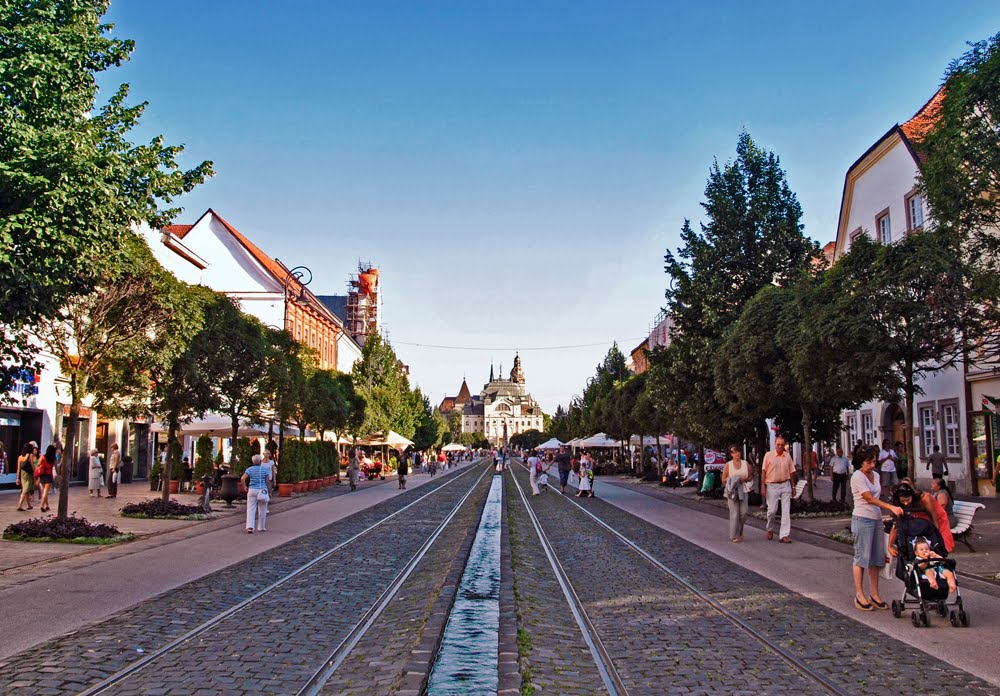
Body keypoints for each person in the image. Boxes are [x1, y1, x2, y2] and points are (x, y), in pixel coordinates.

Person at [851, 447, 903, 611]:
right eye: (869, 462)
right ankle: (860, 595)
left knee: (876, 558)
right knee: (861, 557)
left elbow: (878, 496)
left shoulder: (877, 475)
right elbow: (868, 498)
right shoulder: (857, 476)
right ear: (861, 462)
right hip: (862, 519)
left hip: (876, 519)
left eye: (874, 461)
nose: (873, 465)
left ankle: (874, 594)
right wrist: (890, 507)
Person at [762, 436, 795, 543]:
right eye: (778, 444)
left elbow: (791, 472)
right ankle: (770, 528)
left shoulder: (787, 456)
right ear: (775, 444)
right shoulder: (768, 455)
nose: (780, 447)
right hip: (772, 485)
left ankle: (784, 535)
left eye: (782, 445)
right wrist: (763, 486)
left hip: (785, 485)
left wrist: (793, 487)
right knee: (772, 510)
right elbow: (763, 472)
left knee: (786, 511)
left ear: (784, 445)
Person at [722, 446, 753, 543]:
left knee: (743, 513)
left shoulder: (745, 464)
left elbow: (751, 477)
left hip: (743, 490)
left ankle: (740, 531)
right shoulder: (728, 465)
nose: (737, 454)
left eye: (738, 451)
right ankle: (734, 535)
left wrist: (745, 479)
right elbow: (723, 479)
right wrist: (732, 480)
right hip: (732, 492)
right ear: (731, 454)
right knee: (734, 514)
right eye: (734, 452)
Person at [241, 454, 271, 534]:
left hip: (252, 490)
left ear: (253, 462)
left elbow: (243, 478)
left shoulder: (249, 469)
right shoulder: (264, 470)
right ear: (260, 461)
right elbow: (267, 482)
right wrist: (269, 491)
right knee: (263, 509)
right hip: (262, 490)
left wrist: (244, 486)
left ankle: (250, 527)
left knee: (251, 508)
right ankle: (261, 527)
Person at [34, 444, 56, 512]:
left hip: (42, 474)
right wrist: (59, 474)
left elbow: (38, 465)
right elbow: (56, 467)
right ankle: (42, 505)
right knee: (46, 491)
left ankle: (47, 505)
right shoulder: (54, 458)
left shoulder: (43, 457)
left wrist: (36, 476)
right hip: (49, 475)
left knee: (44, 491)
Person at [16, 442, 37, 511]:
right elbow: (32, 466)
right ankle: (20, 505)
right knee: (25, 490)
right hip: (28, 475)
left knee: (26, 489)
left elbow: (18, 469)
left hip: (22, 475)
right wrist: (35, 474)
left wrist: (17, 478)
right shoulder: (30, 455)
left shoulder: (20, 457)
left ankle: (29, 505)